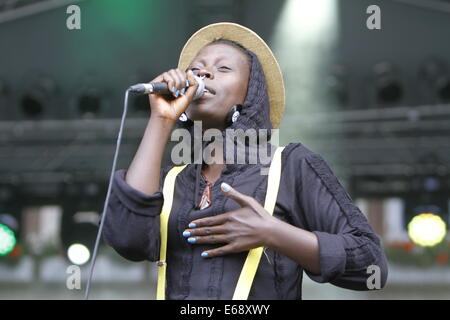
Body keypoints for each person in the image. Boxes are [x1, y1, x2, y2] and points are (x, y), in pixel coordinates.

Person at [102, 22, 388, 300]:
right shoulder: (171, 179)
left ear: (251, 93)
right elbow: (129, 242)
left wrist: (274, 232)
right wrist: (161, 119)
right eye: (196, 68)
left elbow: (370, 265)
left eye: (223, 68)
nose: (203, 73)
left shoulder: (290, 165)